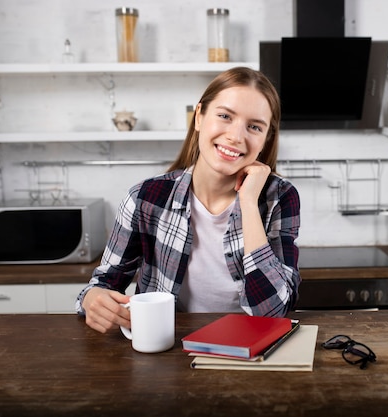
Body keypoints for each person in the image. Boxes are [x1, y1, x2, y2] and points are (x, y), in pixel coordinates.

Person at [76, 66, 301, 333]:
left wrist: (249, 204)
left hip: (249, 350)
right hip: (169, 348)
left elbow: (272, 311)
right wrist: (93, 298)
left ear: (266, 139)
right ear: (199, 118)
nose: (236, 136)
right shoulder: (145, 198)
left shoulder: (280, 197)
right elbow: (103, 284)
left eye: (254, 126)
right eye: (225, 116)